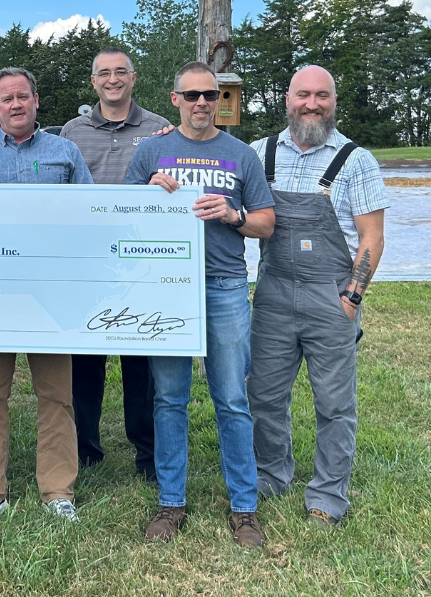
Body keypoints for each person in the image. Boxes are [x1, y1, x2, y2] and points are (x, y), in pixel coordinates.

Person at [125, 62, 275, 546]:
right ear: (175, 100)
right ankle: (171, 503)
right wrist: (147, 197)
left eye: (210, 95)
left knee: (232, 399)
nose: (201, 104)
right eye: (191, 96)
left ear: (221, 100)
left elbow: (267, 223)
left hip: (225, 284)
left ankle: (244, 508)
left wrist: (234, 215)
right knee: (169, 398)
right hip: (166, 286)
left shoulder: (240, 154)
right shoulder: (151, 151)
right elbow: (123, 221)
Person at [0, 67, 93, 523]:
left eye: (22, 97)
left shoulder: (65, 152)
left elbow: (90, 215)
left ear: (36, 100)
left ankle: (57, 491)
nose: (15, 105)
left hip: (51, 294)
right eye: (6, 99)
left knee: (58, 396)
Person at [247, 65, 388, 529]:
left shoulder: (356, 160)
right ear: (286, 99)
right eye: (303, 95)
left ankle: (327, 496)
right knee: (264, 395)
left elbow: (372, 238)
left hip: (331, 296)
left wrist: (350, 299)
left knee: (334, 403)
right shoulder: (258, 153)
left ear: (333, 101)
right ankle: (271, 474)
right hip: (271, 294)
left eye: (321, 96)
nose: (312, 104)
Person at [60, 47, 169, 480]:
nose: (112, 79)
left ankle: (146, 453)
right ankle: (86, 449)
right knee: (85, 360)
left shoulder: (161, 129)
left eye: (120, 72)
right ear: (93, 82)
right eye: (104, 73)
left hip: (142, 259)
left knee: (140, 361)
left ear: (133, 77)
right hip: (90, 260)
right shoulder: (72, 131)